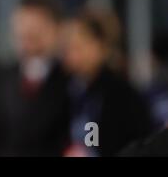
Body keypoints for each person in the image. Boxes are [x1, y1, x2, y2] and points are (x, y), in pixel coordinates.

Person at [0, 0, 71, 156]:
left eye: (37, 28)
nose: (28, 35)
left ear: (58, 30)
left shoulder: (72, 80)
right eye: (22, 28)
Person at [61, 10, 154, 156]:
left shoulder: (122, 95)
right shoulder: (69, 87)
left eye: (78, 47)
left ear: (102, 46)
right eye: (68, 48)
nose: (72, 55)